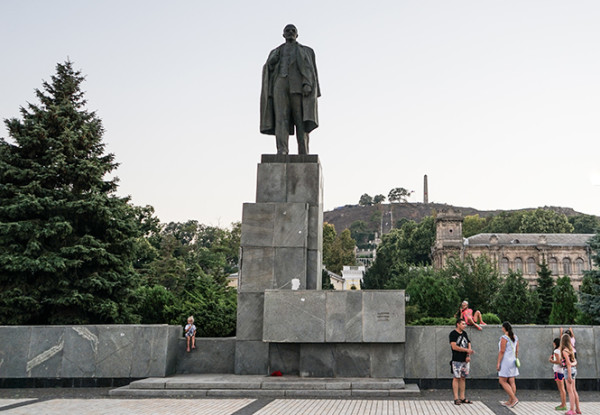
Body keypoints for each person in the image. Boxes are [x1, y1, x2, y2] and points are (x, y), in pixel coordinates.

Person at [260, 24, 320, 155]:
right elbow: (268, 68)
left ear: (297, 35)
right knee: (281, 118)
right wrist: (270, 63)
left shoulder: (305, 50)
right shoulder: (276, 51)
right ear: (283, 34)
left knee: (300, 119)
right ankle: (282, 149)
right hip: (280, 83)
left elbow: (310, 70)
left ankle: (303, 151)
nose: (290, 32)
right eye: (287, 30)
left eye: (293, 30)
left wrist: (307, 83)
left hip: (297, 85)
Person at [449, 318, 474, 405]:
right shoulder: (453, 334)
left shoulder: (464, 333)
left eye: (465, 324)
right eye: (463, 324)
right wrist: (466, 350)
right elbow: (454, 347)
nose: (464, 325)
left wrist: (468, 354)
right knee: (456, 377)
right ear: (458, 324)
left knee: (463, 378)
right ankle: (456, 398)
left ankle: (462, 397)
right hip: (457, 359)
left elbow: (469, 343)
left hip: (465, 360)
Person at [497, 321, 519, 408]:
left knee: (502, 381)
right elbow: (516, 350)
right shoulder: (515, 337)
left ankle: (514, 399)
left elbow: (502, 351)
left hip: (506, 361)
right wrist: (515, 358)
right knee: (512, 380)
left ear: (504, 328)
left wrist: (498, 362)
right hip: (513, 360)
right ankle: (510, 400)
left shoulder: (504, 338)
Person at [560, 333, 581, 415]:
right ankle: (578, 409)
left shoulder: (564, 351)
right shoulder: (571, 350)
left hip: (568, 371)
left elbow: (568, 364)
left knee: (570, 391)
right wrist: (572, 365)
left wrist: (568, 375)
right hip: (573, 370)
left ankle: (572, 410)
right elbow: (575, 362)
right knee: (574, 390)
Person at [550, 337, 567, 411]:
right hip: (561, 371)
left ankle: (563, 404)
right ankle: (563, 404)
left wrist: (551, 361)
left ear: (555, 343)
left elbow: (558, 361)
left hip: (558, 370)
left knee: (561, 389)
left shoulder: (556, 351)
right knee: (562, 389)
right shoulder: (562, 350)